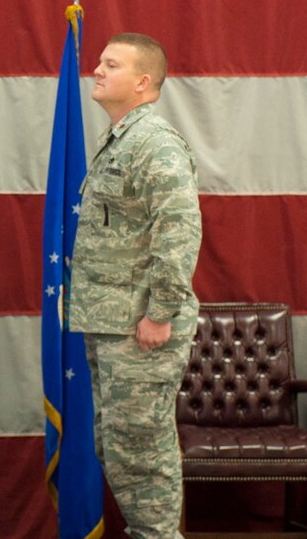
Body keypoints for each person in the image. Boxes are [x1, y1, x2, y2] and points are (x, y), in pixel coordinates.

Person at [69, 33, 202, 539]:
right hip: (110, 321)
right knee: (120, 448)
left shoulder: (154, 143)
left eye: (111, 64)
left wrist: (161, 312)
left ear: (143, 82)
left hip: (140, 326)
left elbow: (179, 230)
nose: (97, 71)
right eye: (100, 62)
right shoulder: (119, 137)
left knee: (142, 453)